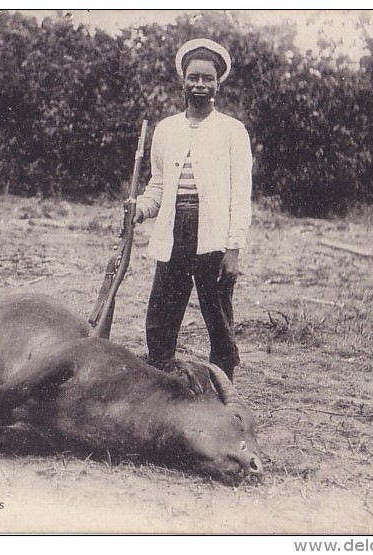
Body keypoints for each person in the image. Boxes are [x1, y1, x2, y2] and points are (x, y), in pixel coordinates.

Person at [133, 38, 252, 381]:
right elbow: (158, 186)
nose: (200, 84)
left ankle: (224, 380)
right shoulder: (167, 129)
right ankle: (160, 375)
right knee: (162, 308)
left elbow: (240, 195)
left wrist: (233, 249)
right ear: (183, 81)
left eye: (207, 78)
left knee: (216, 309)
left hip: (212, 232)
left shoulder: (232, 131)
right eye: (193, 77)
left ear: (218, 83)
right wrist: (139, 208)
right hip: (174, 229)